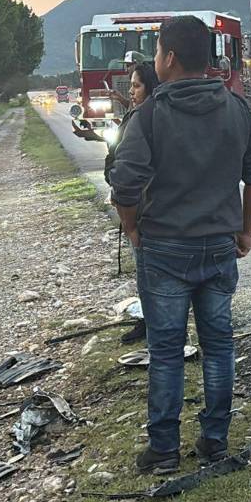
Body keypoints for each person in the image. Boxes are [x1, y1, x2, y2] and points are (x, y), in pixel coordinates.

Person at [109, 15, 251, 474]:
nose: (156, 59)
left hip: (164, 249)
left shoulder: (149, 115)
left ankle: (163, 451)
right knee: (219, 347)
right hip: (219, 248)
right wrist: (245, 230)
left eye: (158, 51)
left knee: (166, 351)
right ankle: (215, 442)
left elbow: (125, 185)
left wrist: (132, 229)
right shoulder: (237, 109)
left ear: (170, 57)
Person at [103, 60, 160, 344]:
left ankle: (152, 325)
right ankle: (149, 321)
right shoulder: (138, 113)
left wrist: (130, 225)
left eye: (136, 86)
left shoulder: (150, 118)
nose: (132, 91)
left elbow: (129, 175)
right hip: (136, 206)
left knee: (147, 272)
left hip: (141, 209)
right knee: (143, 272)